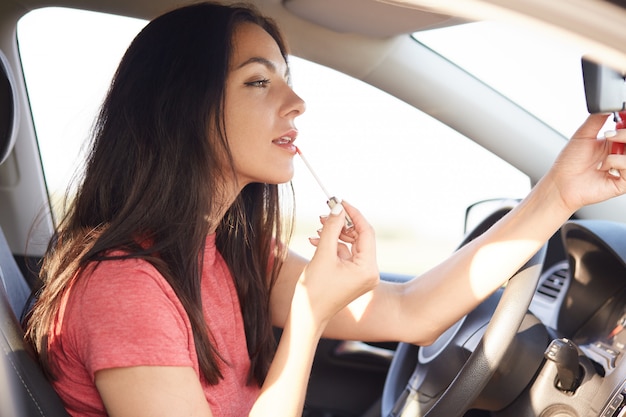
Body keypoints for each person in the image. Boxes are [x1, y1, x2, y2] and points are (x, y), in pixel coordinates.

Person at [23, 2, 626, 417]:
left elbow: (412, 312)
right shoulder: (124, 288)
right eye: (260, 83)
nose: (298, 102)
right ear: (180, 109)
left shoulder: (227, 255)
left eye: (286, 78)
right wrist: (309, 316)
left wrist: (561, 193)